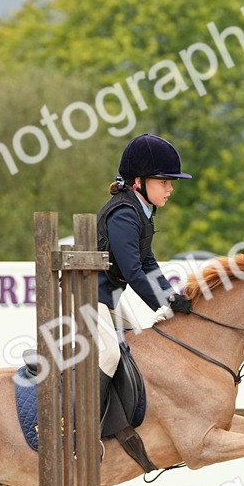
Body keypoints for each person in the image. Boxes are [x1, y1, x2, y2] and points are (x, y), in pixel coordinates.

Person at [95, 133, 194, 405]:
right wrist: (165, 302)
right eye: (163, 182)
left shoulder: (142, 211)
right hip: (84, 297)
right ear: (139, 181)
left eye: (170, 183)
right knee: (109, 355)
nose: (170, 189)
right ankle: (82, 420)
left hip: (106, 298)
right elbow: (133, 271)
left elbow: (148, 262)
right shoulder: (124, 214)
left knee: (138, 346)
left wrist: (171, 295)